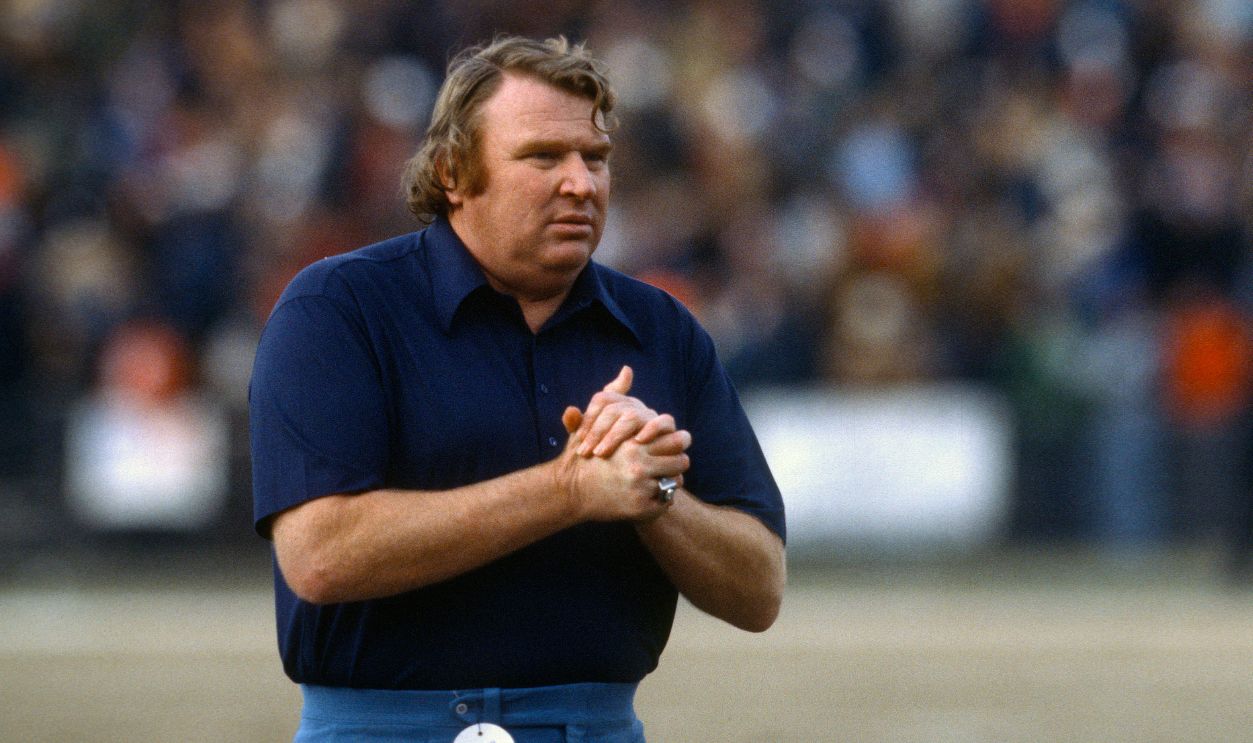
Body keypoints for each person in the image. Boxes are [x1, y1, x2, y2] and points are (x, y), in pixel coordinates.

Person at [249, 35, 786, 742]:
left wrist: (653, 494)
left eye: (594, 159)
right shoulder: (339, 307)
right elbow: (320, 555)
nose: (580, 183)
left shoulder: (660, 327)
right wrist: (568, 488)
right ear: (452, 171)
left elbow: (759, 589)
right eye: (542, 157)